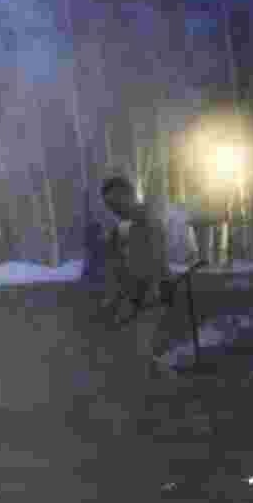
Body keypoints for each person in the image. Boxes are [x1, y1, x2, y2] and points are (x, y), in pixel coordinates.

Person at [93, 176, 174, 434]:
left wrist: (152, 288)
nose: (112, 208)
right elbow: (119, 268)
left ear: (128, 194)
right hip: (134, 296)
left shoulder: (148, 220)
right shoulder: (122, 228)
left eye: (115, 202)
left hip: (150, 295)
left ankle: (152, 409)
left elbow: (156, 260)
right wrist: (113, 301)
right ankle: (157, 399)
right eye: (108, 205)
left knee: (138, 351)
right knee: (129, 350)